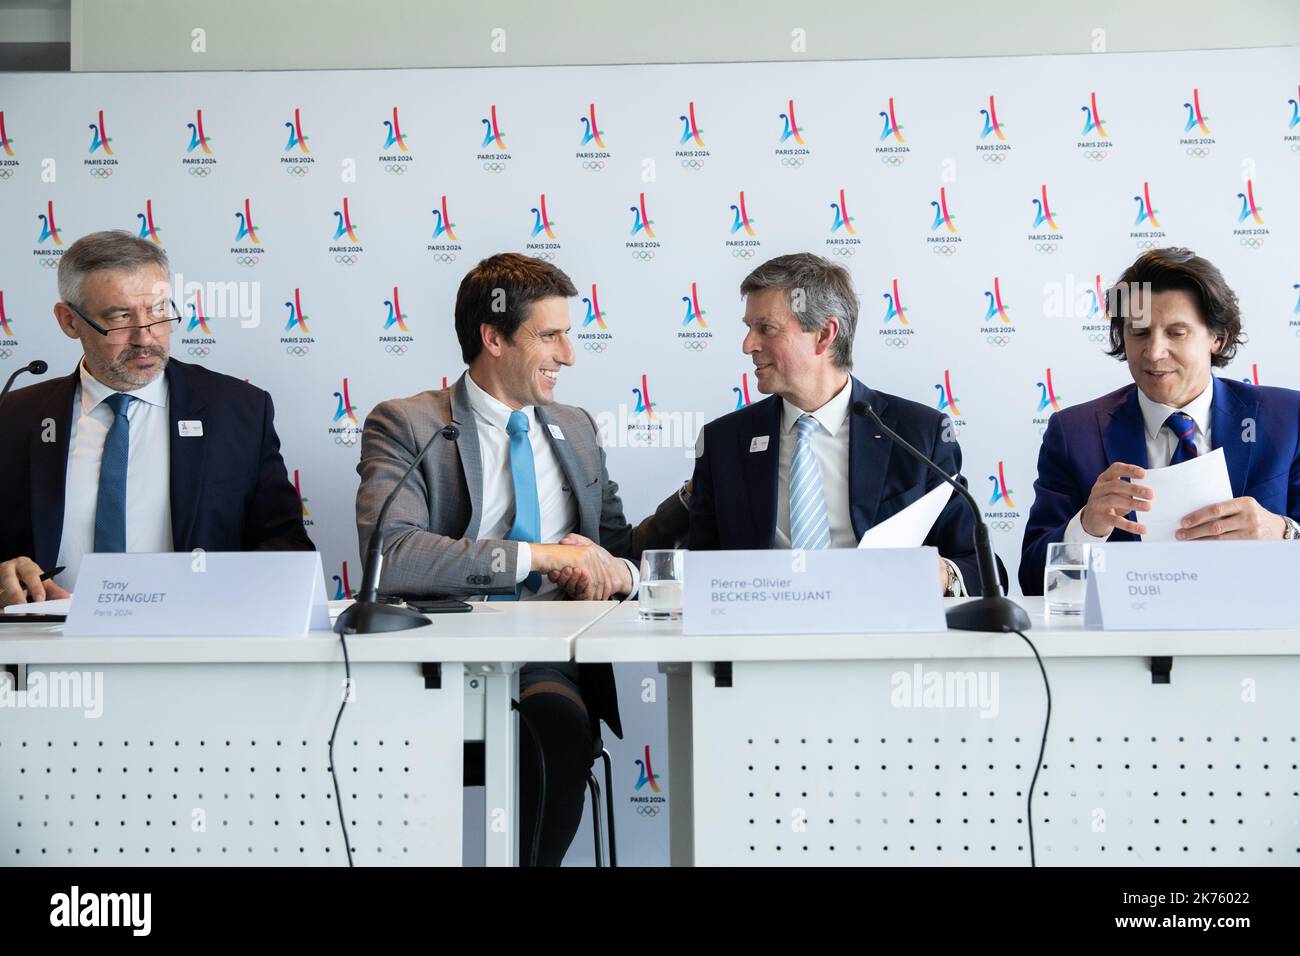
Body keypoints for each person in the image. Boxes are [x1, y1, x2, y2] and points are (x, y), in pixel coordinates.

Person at [354, 252, 687, 865]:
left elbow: (610, 551)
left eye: (569, 334)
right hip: (433, 657)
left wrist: (691, 498)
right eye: (551, 336)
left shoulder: (576, 428)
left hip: (546, 662)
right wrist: (538, 556)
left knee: (554, 730)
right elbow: (392, 555)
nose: (569, 355)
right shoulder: (408, 423)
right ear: (493, 337)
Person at [0, 230, 313, 607]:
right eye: (119, 317)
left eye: (159, 312)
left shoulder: (239, 410)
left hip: (191, 649)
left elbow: (286, 546)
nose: (145, 337)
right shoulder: (14, 418)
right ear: (69, 321)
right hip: (47, 650)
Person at [687, 253, 982, 594]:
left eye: (765, 328)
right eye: (749, 328)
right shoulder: (724, 442)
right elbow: (699, 575)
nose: (748, 345)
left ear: (824, 334)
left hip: (884, 637)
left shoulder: (918, 434)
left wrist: (943, 573)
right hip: (760, 640)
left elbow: (978, 565)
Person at [1019, 247, 1300, 594]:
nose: (1153, 352)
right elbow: (1033, 583)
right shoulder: (1074, 434)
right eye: (1139, 333)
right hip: (1127, 643)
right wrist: (1087, 528)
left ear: (1217, 337)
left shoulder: (1287, 419)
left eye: (1176, 333)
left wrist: (1285, 533)